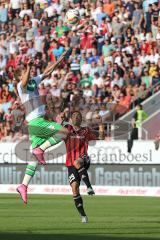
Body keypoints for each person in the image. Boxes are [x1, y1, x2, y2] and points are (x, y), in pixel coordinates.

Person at [16, 52, 70, 204]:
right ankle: (41, 150)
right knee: (64, 132)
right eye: (24, 72)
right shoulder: (21, 86)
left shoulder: (33, 80)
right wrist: (28, 66)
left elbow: (47, 72)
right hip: (35, 122)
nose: (28, 73)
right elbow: (25, 80)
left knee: (33, 159)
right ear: (20, 76)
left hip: (35, 122)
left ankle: (23, 185)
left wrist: (59, 60)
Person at [63, 111, 104, 223]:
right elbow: (56, 133)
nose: (77, 117)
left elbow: (101, 137)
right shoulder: (66, 129)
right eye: (75, 116)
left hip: (83, 158)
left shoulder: (86, 131)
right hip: (70, 164)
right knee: (75, 189)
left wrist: (100, 124)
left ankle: (89, 187)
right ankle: (83, 215)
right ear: (71, 119)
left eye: (79, 116)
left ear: (81, 119)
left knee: (77, 162)